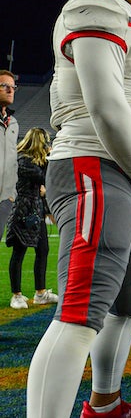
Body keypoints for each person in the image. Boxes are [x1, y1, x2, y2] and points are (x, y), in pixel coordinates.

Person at [27, 0, 131, 418]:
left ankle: (105, 402)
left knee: (124, 303)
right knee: (79, 312)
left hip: (123, 170)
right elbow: (106, 108)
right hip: (94, 163)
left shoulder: (130, 20)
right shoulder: (94, 6)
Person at [7, 127, 59, 309]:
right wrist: (51, 161)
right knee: (19, 253)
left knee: (43, 250)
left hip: (35, 210)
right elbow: (47, 178)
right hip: (24, 212)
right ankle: (17, 295)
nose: (48, 145)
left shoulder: (35, 162)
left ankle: (40, 293)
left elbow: (45, 184)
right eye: (46, 142)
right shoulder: (25, 162)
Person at [0, 69, 18, 244]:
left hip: (5, 198)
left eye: (13, 87)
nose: (10, 90)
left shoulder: (14, 123)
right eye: (4, 86)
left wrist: (11, 194)